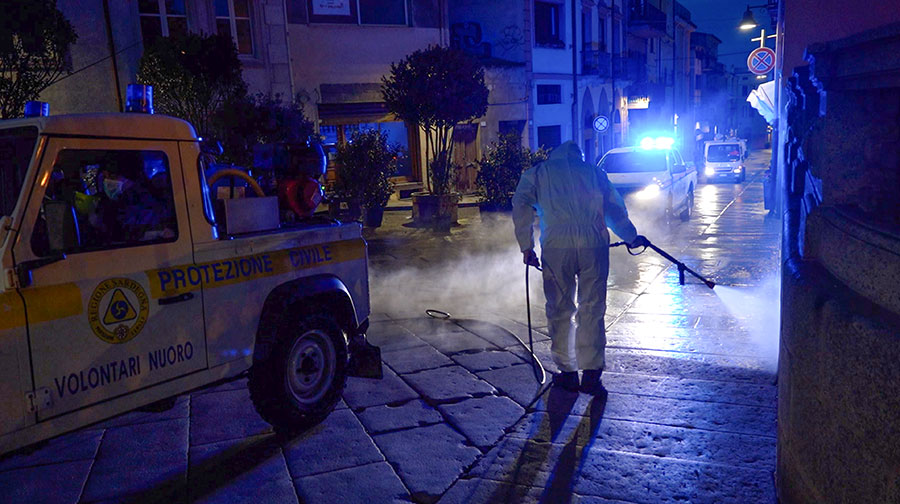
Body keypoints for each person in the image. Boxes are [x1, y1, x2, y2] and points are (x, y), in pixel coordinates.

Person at [512, 141, 647, 394]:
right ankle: (592, 375)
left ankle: (568, 372)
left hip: (557, 247)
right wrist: (631, 236)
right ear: (578, 156)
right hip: (593, 246)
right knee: (593, 307)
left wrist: (526, 246)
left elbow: (521, 205)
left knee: (560, 308)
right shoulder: (595, 173)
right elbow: (614, 211)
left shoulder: (539, 173)